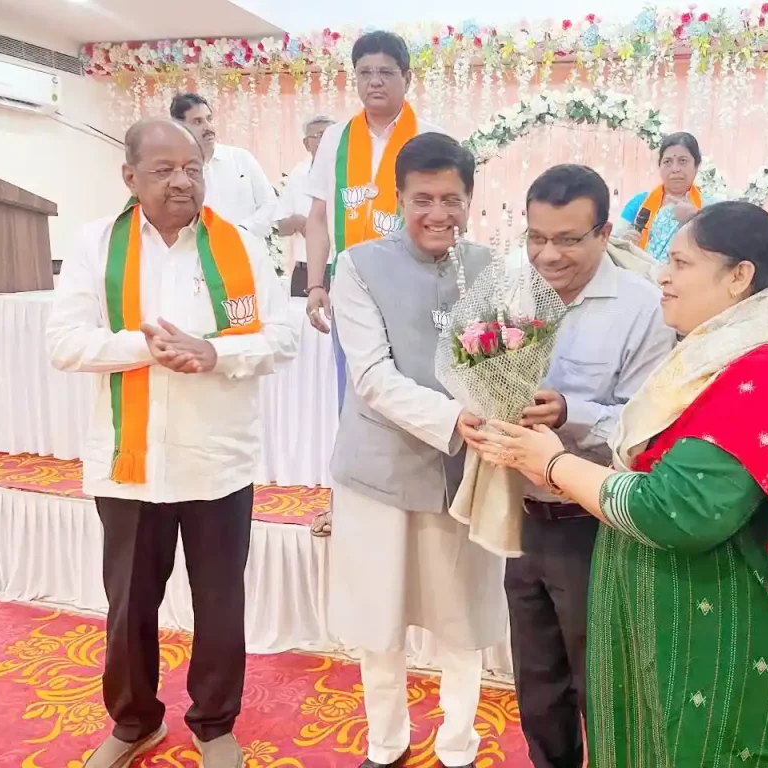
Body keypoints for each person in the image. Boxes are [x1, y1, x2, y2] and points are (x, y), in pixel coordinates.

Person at [475, 201, 768, 768]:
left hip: (726, 634)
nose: (662, 274)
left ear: (738, 277)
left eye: (680, 263)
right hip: (680, 623)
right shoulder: (715, 357)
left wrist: (557, 465)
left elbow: (677, 509)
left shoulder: (766, 371)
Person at [45, 119, 298, 768]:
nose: (182, 179)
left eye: (191, 166)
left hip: (218, 462)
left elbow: (281, 339)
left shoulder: (238, 243)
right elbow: (64, 342)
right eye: (163, 169)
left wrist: (214, 352)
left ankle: (214, 724)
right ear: (129, 178)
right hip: (130, 467)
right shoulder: (95, 245)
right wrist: (146, 346)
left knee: (220, 605)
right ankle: (134, 724)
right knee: (129, 607)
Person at [327, 132, 505, 768]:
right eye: (422, 199)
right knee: (378, 623)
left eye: (451, 199)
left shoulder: (493, 269)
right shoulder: (358, 265)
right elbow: (370, 376)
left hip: (469, 476)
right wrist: (458, 417)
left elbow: (509, 360)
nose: (438, 214)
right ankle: (386, 743)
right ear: (398, 199)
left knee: (465, 619)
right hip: (378, 473)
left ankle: (458, 746)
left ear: (470, 200)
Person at [488, 165, 674, 768]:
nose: (549, 254)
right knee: (537, 681)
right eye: (536, 238)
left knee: (604, 682)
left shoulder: (644, 308)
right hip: (522, 515)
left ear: (602, 233)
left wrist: (569, 411)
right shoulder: (511, 291)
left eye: (568, 239)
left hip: (596, 523)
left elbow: (647, 429)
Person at [304, 30, 441, 537]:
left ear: (407, 77)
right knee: (354, 397)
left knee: (414, 391)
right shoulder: (337, 138)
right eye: (365, 72)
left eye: (386, 72)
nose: (375, 81)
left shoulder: (430, 135)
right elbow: (317, 217)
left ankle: (418, 506)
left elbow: (445, 214)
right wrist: (316, 284)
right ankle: (350, 505)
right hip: (351, 287)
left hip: (413, 289)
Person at [171, 92, 277, 240]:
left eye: (209, 119)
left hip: (246, 251)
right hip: (200, 255)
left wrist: (243, 230)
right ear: (179, 127)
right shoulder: (175, 170)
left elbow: (269, 203)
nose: (207, 127)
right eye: (197, 122)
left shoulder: (241, 159)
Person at [613, 132, 713, 262]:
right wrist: (623, 243)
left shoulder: (710, 207)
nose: (675, 169)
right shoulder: (639, 203)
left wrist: (695, 218)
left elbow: (722, 252)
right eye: (667, 161)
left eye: (683, 161)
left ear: (696, 165)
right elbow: (611, 244)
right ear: (659, 166)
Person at [276, 115, 334, 296]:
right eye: (319, 135)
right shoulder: (298, 174)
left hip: (342, 269)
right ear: (307, 144)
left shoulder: (351, 171)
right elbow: (281, 228)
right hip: (305, 269)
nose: (326, 141)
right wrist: (298, 222)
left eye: (330, 135)